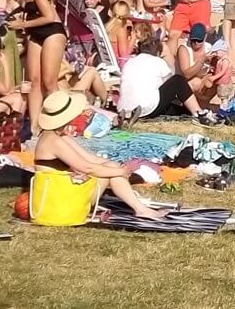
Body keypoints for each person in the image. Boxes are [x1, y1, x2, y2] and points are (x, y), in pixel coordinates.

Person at [33, 83, 165, 220]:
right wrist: (120, 172)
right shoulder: (55, 142)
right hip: (60, 200)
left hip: (60, 193)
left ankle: (140, 209)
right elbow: (87, 167)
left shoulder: (56, 137)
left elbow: (91, 159)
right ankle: (141, 209)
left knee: (112, 167)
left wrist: (118, 166)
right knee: (112, 172)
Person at [1, 0, 66, 107]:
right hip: (35, 33)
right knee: (34, 82)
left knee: (49, 83)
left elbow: (49, 17)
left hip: (52, 31)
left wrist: (21, 24)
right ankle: (34, 121)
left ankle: (61, 115)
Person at [166, 23, 223, 123]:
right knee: (196, 82)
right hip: (185, 85)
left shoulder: (209, 48)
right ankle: (191, 106)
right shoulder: (184, 49)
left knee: (217, 80)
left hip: (202, 81)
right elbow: (186, 74)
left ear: (205, 37)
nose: (196, 43)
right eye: (193, 40)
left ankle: (202, 105)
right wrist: (201, 61)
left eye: (199, 41)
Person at [115, 34, 173, 123]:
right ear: (158, 52)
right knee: (178, 80)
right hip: (147, 106)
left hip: (122, 105)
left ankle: (126, 114)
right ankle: (195, 112)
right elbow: (169, 82)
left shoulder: (130, 62)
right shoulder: (158, 61)